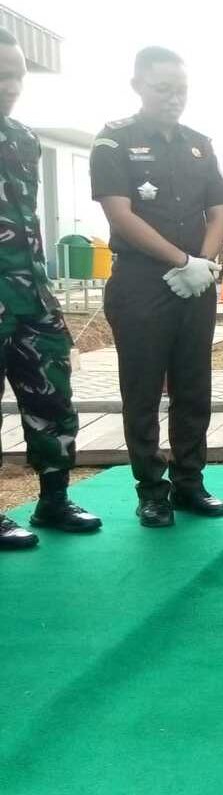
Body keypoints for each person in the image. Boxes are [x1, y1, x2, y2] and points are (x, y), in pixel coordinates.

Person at [91, 47, 223, 528]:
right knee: (143, 389)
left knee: (195, 385)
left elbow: (218, 212)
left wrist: (205, 264)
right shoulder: (113, 141)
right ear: (137, 85)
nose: (174, 98)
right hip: (141, 283)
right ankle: (152, 489)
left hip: (195, 283)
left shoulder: (199, 143)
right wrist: (181, 260)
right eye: (163, 89)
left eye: (181, 89)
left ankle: (190, 482)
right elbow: (120, 215)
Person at [0, 28, 101, 549]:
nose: (12, 83)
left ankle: (53, 499)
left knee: (54, 398)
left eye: (16, 73)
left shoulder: (23, 138)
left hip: (32, 296)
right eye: (3, 74)